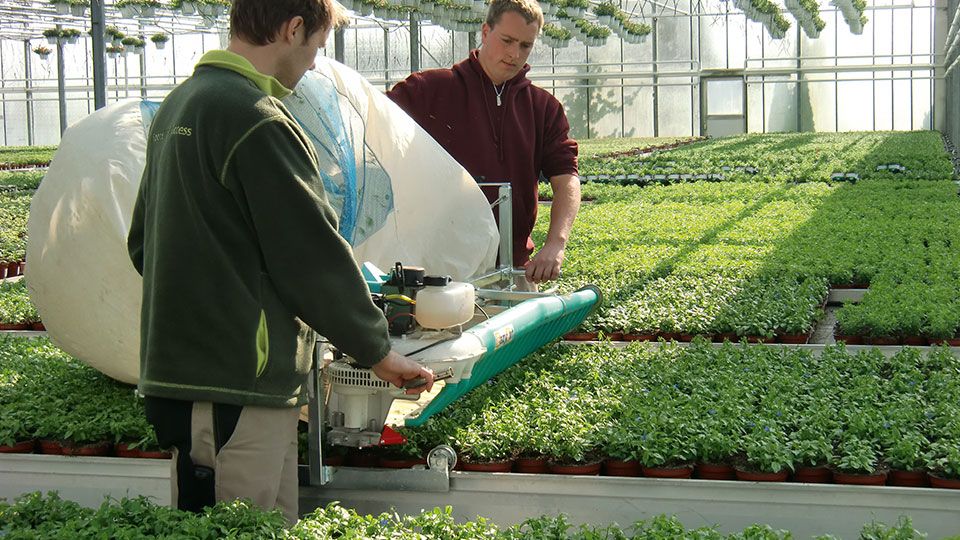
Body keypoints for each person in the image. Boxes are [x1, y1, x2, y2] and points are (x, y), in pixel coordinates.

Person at [127, 0, 434, 524]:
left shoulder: (181, 105)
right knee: (244, 525)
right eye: (315, 46)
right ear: (292, 30)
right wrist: (378, 351)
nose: (315, 63)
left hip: (183, 380)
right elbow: (309, 256)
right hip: (233, 386)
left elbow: (142, 244)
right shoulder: (255, 119)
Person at [387, 0, 580, 286]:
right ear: (486, 31)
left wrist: (556, 243)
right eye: (507, 40)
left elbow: (567, 179)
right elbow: (373, 136)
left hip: (513, 269)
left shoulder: (543, 108)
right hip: (437, 274)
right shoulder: (426, 91)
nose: (515, 54)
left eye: (526, 45)